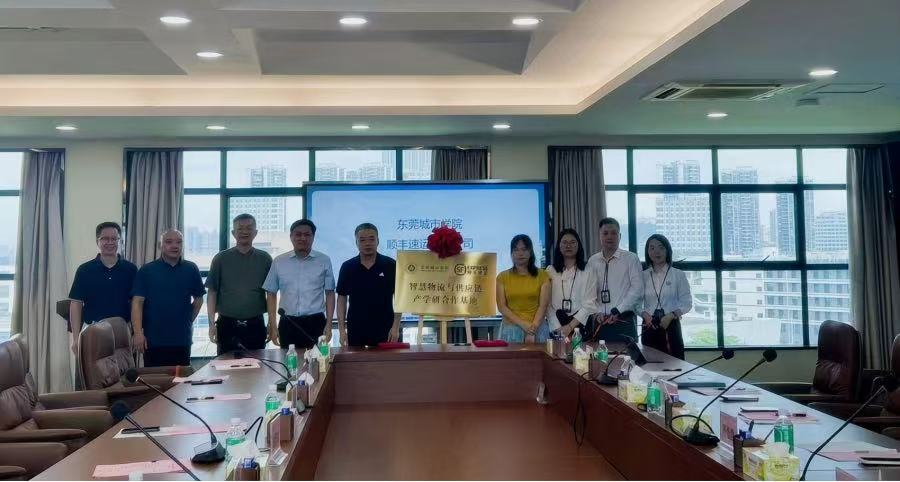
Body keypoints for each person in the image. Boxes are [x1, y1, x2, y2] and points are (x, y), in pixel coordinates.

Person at [131, 230, 205, 367]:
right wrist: (138, 333)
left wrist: (188, 319)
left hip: (182, 340)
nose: (174, 246)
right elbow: (137, 303)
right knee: (155, 379)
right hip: (153, 340)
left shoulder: (191, 269)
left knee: (181, 378)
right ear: (161, 245)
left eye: (179, 242)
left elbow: (199, 299)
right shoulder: (147, 270)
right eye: (169, 242)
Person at [206, 214, 274, 355]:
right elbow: (212, 293)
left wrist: (272, 323)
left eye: (249, 228)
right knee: (225, 365)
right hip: (226, 325)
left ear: (255, 232)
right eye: (240, 228)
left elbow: (271, 293)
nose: (244, 232)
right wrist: (211, 324)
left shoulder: (265, 259)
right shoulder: (220, 259)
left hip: (255, 324)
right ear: (233, 233)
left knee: (258, 365)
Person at [263, 219, 335, 349]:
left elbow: (330, 293)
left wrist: (329, 324)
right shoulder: (279, 261)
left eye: (307, 234)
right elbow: (271, 293)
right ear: (291, 237)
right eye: (298, 234)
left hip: (315, 322)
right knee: (289, 359)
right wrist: (273, 324)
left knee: (316, 360)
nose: (302, 238)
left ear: (313, 237)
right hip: (288, 322)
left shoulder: (324, 260)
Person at [68, 221, 138, 354]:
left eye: (114, 239)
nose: (110, 242)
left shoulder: (131, 269)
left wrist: (137, 333)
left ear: (119, 241)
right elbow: (76, 304)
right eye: (105, 238)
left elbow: (137, 304)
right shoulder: (84, 270)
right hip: (93, 332)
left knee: (123, 367)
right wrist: (76, 338)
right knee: (92, 367)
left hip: (123, 332)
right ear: (97, 241)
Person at [335, 223, 401, 347]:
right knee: (356, 359)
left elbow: (399, 298)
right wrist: (342, 330)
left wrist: (396, 327)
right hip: (356, 328)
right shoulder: (347, 267)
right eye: (362, 240)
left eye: (371, 239)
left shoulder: (391, 265)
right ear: (356, 243)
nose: (367, 243)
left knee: (387, 359)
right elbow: (341, 300)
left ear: (378, 241)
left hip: (386, 328)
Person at [581, 218, 644, 343]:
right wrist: (596, 312)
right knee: (599, 355)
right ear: (600, 236)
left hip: (623, 320)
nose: (609, 237)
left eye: (614, 233)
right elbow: (587, 291)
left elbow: (637, 289)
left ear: (620, 236)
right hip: (600, 321)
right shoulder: (593, 261)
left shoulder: (631, 259)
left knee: (626, 355)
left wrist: (618, 310)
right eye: (605, 233)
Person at [640, 234, 691, 359]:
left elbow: (687, 303)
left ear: (668, 250)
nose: (656, 251)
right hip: (649, 324)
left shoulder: (678, 275)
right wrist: (644, 315)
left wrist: (672, 315)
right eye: (652, 248)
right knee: (649, 364)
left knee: (675, 364)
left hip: (671, 324)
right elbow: (635, 303)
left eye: (661, 247)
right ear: (647, 252)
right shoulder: (642, 276)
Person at [496, 234, 551, 343]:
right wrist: (524, 325)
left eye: (524, 249)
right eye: (516, 250)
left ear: (530, 252)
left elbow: (543, 306)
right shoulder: (502, 277)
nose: (520, 253)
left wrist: (532, 329)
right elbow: (502, 307)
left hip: (537, 328)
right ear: (512, 253)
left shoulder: (543, 275)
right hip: (511, 329)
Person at [546, 228, 596, 338]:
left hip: (580, 326)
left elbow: (590, 303)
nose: (568, 245)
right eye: (564, 242)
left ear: (579, 245)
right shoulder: (550, 271)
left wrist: (570, 327)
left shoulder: (588, 270)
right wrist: (557, 327)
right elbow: (547, 303)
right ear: (559, 246)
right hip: (556, 326)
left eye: (572, 242)